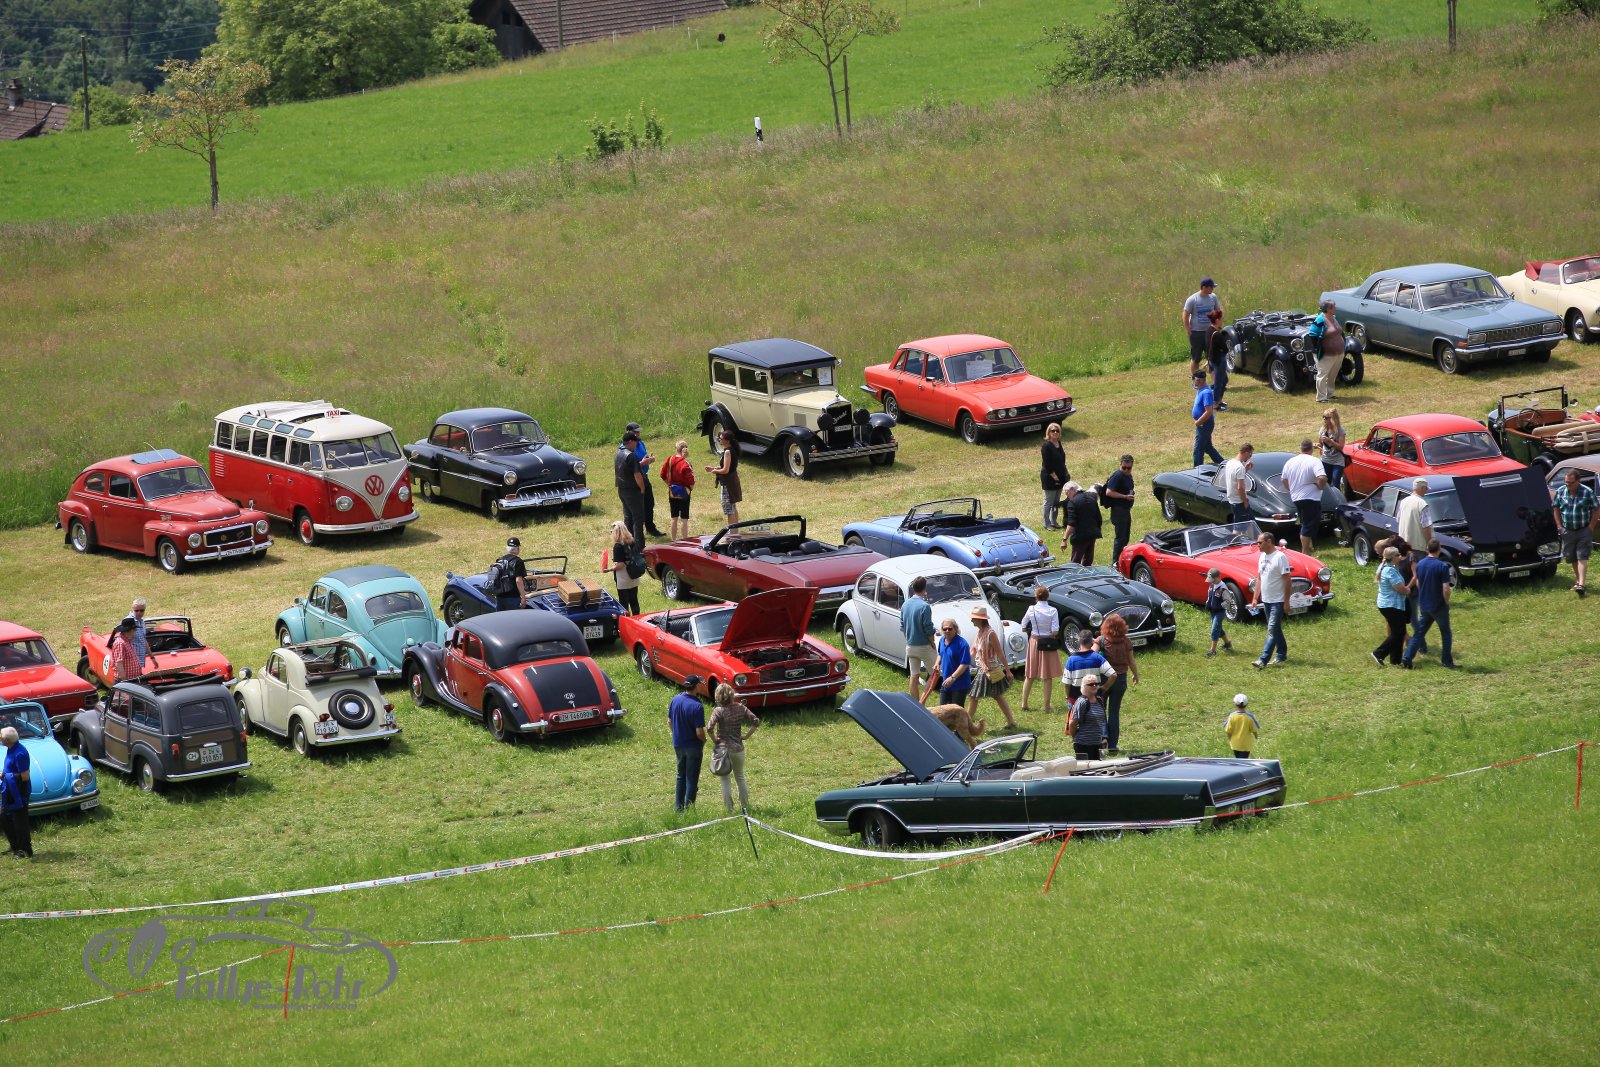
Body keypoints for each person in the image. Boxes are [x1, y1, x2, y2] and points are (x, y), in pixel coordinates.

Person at [1403, 540, 1458, 669]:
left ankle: (1407, 657)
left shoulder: (1420, 564)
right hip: (1438, 606)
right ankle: (1446, 661)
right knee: (1446, 633)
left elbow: (1418, 582)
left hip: (1424, 604)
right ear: (1439, 549)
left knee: (1419, 633)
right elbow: (1446, 588)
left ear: (1427, 549)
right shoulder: (1442, 566)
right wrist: (1446, 601)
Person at [708, 683, 760, 813]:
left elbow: (709, 728)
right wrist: (746, 736)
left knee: (725, 779)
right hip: (738, 748)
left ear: (718, 696)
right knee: (740, 776)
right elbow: (756, 721)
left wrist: (715, 740)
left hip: (723, 750)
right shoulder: (741, 707)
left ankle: (729, 810)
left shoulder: (718, 711)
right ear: (732, 694)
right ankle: (745, 807)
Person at [966, 606, 1017, 730]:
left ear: (980, 619)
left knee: (974, 696)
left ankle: (965, 724)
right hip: (983, 669)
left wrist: (1008, 671)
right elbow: (973, 650)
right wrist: (963, 662)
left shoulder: (990, 633)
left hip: (991, 669)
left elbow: (1000, 653)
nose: (971, 621)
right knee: (995, 695)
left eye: (973, 618)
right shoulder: (980, 633)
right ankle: (1011, 721)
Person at [1097, 613, 1138, 756]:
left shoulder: (1101, 640)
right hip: (1120, 679)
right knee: (1114, 712)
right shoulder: (1126, 641)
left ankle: (1103, 736)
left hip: (1104, 679)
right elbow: (1131, 661)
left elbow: (1092, 656)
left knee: (1100, 709)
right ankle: (1113, 746)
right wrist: (1135, 675)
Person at [1553, 468, 1598, 596]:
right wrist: (1559, 526)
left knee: (1582, 556)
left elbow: (1597, 509)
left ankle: (1581, 584)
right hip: (1567, 530)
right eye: (1566, 482)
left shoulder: (1587, 492)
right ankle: (1578, 581)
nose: (1568, 485)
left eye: (1571, 483)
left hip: (1583, 530)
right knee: (1572, 556)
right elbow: (1556, 508)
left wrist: (1591, 527)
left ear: (1578, 481)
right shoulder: (1560, 491)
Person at [1280, 439, 1329, 554]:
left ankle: (1309, 546)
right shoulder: (1314, 461)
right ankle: (1305, 553)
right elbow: (1322, 477)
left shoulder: (1290, 462)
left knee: (1305, 523)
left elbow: (1283, 480)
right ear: (1311, 449)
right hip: (1310, 498)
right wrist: (1320, 487)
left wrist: (1292, 489)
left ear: (1301, 449)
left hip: (1296, 497)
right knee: (1308, 525)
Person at [1183, 278, 1226, 410]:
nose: (1213, 289)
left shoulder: (1213, 297)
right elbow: (1185, 315)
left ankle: (1214, 384)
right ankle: (1196, 381)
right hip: (1196, 332)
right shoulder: (1193, 299)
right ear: (1204, 287)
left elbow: (1218, 311)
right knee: (1196, 358)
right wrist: (1188, 330)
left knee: (1211, 358)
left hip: (1209, 332)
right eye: (1211, 287)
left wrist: (1218, 327)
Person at [1251, 531, 1291, 669]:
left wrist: (1286, 601)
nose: (1257, 545)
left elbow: (1287, 580)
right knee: (1275, 629)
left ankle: (1263, 660)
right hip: (1266, 600)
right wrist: (1255, 598)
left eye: (1260, 542)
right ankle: (1282, 654)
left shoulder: (1280, 557)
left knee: (1271, 630)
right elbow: (1259, 578)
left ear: (1269, 542)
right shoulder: (1262, 556)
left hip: (1277, 601)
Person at [1019, 586, 1062, 714]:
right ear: (1047, 596)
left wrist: (1032, 629)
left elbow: (1023, 626)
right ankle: (1046, 706)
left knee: (1030, 674)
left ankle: (1024, 703)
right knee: (1047, 676)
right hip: (1047, 643)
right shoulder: (1053, 610)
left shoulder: (1031, 609)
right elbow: (1055, 631)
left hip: (1034, 641)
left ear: (1036, 596)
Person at [668, 674, 707, 811]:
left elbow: (669, 721)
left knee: (681, 776)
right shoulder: (697, 706)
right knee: (691, 779)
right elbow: (699, 732)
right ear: (696, 686)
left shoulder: (675, 699)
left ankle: (678, 808)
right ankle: (689, 810)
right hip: (693, 747)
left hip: (678, 744)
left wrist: (677, 734)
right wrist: (704, 740)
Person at [1371, 545, 1411, 667]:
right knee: (1398, 633)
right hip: (1392, 606)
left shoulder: (1385, 567)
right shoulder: (1389, 571)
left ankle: (1396, 660)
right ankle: (1379, 654)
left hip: (1389, 605)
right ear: (1392, 557)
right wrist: (1407, 590)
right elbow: (1400, 589)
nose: (1400, 556)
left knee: (1399, 632)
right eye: (1397, 555)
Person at [625, 422, 665, 538]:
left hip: (644, 475)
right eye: (635, 432)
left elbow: (644, 457)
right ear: (629, 432)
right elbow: (629, 466)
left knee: (649, 502)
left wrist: (650, 459)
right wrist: (643, 463)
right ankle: (635, 532)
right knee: (637, 507)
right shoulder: (626, 448)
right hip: (634, 479)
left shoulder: (640, 443)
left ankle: (650, 528)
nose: (638, 434)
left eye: (638, 432)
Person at [901, 576, 937, 702]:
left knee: (914, 675)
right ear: (924, 589)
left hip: (910, 645)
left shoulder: (905, 604)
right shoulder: (924, 606)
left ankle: (915, 704)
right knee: (935, 674)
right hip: (924, 646)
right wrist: (932, 642)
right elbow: (928, 628)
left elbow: (902, 626)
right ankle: (921, 702)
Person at [925, 619, 972, 707]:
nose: (947, 631)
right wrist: (937, 663)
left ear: (955, 629)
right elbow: (940, 654)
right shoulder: (942, 640)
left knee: (955, 711)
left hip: (959, 684)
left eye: (950, 629)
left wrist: (952, 678)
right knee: (943, 709)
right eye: (944, 629)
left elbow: (965, 664)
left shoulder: (962, 644)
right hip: (946, 681)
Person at [1307, 300, 1346, 404]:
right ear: (1328, 309)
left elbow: (1339, 332)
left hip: (1338, 353)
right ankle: (1321, 397)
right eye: (1333, 307)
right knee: (1323, 374)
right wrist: (1317, 348)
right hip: (1325, 354)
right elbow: (1312, 334)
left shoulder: (1334, 318)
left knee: (1333, 374)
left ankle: (1330, 393)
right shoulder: (1320, 320)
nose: (1335, 308)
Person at [615, 427, 649, 547]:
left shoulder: (618, 453)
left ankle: (628, 544)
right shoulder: (631, 456)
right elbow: (637, 475)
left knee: (628, 518)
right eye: (635, 442)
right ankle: (640, 547)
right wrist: (642, 488)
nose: (636, 444)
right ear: (630, 442)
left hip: (622, 489)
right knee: (638, 519)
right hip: (632, 491)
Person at [1, 726, 31, 859]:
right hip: (9, 790)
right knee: (4, 817)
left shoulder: (20, 753)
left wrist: (6, 776)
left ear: (7, 740)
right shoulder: (10, 748)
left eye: (0, 736)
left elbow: (25, 776)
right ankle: (15, 846)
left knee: (20, 822)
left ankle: (25, 850)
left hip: (18, 792)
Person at [1063, 628, 1116, 702]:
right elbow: (1113, 675)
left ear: (1078, 642)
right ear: (1092, 642)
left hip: (1076, 699)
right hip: (1094, 699)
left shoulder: (1071, 660)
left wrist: (1067, 696)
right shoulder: (1098, 658)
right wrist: (1104, 687)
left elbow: (1067, 683)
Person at [660, 439, 696, 542]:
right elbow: (691, 481)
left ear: (676, 449)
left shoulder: (670, 459)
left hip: (672, 492)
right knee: (684, 519)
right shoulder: (686, 463)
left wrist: (669, 485)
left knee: (674, 517)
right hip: (685, 493)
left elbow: (662, 474)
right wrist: (690, 489)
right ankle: (685, 541)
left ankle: (674, 540)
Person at [1102, 454, 1136, 561]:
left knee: (1125, 537)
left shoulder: (1128, 475)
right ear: (1120, 464)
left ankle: (1122, 560)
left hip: (1125, 510)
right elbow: (1109, 492)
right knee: (1120, 538)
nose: (1126, 470)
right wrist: (1125, 497)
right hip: (1118, 510)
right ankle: (1115, 562)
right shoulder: (1117, 476)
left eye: (1129, 468)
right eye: (1124, 467)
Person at [705, 430, 742, 526]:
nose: (719, 440)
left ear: (727, 441)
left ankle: (732, 532)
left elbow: (725, 470)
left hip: (728, 483)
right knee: (733, 507)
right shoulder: (730, 450)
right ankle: (735, 531)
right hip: (732, 481)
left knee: (729, 510)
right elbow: (727, 467)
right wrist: (713, 468)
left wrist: (715, 471)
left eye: (721, 439)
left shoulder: (727, 452)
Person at [1068, 677, 1108, 761]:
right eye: (1091, 684)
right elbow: (1072, 724)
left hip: (1097, 744)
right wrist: (1075, 737)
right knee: (1085, 768)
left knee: (1099, 767)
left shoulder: (1099, 700)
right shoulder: (1082, 702)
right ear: (1084, 686)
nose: (1094, 686)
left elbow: (1102, 720)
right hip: (1083, 745)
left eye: (1096, 684)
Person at [1061, 482, 1101, 565]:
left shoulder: (1073, 502)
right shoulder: (1091, 499)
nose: (1068, 496)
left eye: (1067, 493)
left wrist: (1064, 540)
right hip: (1092, 534)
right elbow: (1099, 518)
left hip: (1080, 536)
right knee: (1088, 562)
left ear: (1072, 489)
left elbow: (1071, 523)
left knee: (1075, 563)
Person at [606, 521, 641, 616]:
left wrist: (609, 569)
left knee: (624, 603)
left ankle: (626, 621)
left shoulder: (618, 546)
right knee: (634, 600)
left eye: (611, 532)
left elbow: (620, 565)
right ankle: (637, 618)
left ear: (616, 532)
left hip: (623, 578)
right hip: (634, 574)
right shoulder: (632, 541)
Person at [1040, 423, 1069, 530]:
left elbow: (1062, 461)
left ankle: (1054, 521)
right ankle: (1046, 523)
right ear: (1049, 432)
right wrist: (1055, 477)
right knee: (1049, 501)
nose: (1055, 432)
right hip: (1049, 477)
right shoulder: (1046, 446)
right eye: (1053, 430)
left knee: (1056, 501)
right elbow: (1047, 465)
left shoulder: (1058, 443)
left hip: (1060, 476)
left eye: (1057, 430)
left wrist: (1065, 474)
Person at [1396, 479, 1434, 560]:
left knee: (1406, 567)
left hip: (1404, 545)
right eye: (1426, 488)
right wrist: (1429, 544)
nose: (1426, 491)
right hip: (1419, 547)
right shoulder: (1422, 504)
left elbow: (1398, 520)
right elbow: (1426, 527)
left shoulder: (1403, 501)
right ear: (1422, 488)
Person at [1192, 369, 1223, 466]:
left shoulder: (1206, 393)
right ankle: (1224, 465)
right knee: (1207, 447)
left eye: (1193, 379)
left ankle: (1197, 470)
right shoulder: (1200, 390)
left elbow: (1209, 412)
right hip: (1202, 424)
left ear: (1199, 380)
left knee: (1198, 450)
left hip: (1204, 424)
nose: (1192, 381)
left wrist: (1198, 422)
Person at [490, 537, 530, 610]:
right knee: (514, 617)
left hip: (500, 597)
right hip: (513, 597)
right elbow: (518, 581)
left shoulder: (499, 560)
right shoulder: (518, 561)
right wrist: (523, 597)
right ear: (517, 548)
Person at [1204, 566, 1233, 657]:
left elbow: (1228, 601)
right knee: (1218, 628)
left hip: (1219, 612)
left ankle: (1212, 650)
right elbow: (1209, 597)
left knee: (1215, 629)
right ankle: (1227, 643)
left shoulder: (1223, 588)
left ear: (1218, 577)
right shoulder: (1212, 586)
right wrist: (1208, 604)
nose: (1211, 581)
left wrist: (1220, 606)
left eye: (1212, 579)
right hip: (1212, 611)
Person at [1223, 443, 1254, 524]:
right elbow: (1240, 488)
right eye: (1250, 455)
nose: (1249, 457)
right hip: (1239, 502)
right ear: (1246, 453)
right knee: (1241, 527)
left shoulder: (1230, 462)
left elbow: (1234, 478)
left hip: (1233, 500)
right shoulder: (1240, 467)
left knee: (1251, 524)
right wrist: (1245, 501)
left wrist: (1245, 470)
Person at [1318, 408, 1347, 490]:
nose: (1324, 419)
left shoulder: (1340, 430)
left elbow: (1341, 447)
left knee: (1335, 485)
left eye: (1326, 417)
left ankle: (1337, 498)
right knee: (1326, 485)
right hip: (1325, 460)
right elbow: (1321, 444)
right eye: (1323, 417)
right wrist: (1315, 445)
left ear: (1333, 419)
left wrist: (1330, 441)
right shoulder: (1322, 429)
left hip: (1337, 461)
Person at [1224, 694, 1259, 759]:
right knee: (1244, 759)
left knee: (1238, 758)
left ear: (1235, 704)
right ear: (1246, 704)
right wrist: (1256, 737)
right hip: (1246, 744)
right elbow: (1254, 730)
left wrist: (1229, 739)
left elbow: (1228, 731)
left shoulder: (1232, 717)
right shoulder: (1249, 717)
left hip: (1235, 743)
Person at [109, 618, 142, 683]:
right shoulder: (120, 643)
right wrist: (125, 681)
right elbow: (119, 664)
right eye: (135, 630)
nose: (135, 632)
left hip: (132, 680)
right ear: (130, 630)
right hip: (125, 681)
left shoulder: (127, 641)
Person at [124, 598, 152, 670]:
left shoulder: (142, 621)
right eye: (136, 610)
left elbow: (143, 640)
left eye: (141, 610)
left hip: (140, 661)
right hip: (130, 661)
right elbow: (122, 641)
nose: (139, 613)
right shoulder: (128, 621)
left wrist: (152, 657)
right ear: (132, 609)